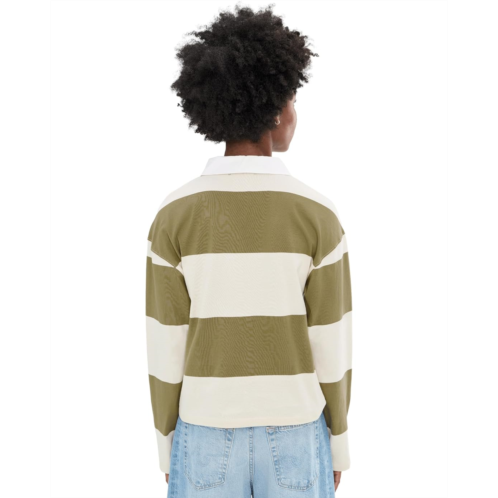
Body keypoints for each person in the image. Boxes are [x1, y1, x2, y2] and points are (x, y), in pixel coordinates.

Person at [146, 6, 352, 497]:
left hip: (205, 428)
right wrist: (338, 443)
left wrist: (168, 445)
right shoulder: (317, 214)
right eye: (293, 100)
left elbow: (165, 343)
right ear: (276, 111)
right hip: (297, 430)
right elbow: (332, 342)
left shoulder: (173, 215)